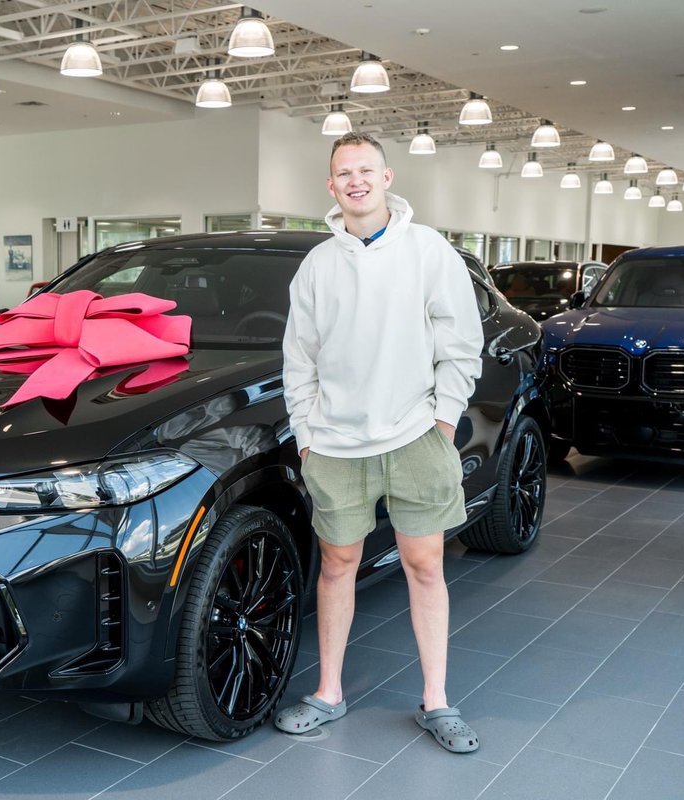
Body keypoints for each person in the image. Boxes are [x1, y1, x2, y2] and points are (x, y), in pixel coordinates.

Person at [276, 131, 484, 754]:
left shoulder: (428, 250)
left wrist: (443, 422)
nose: (356, 181)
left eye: (366, 170)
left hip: (416, 434)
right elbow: (299, 360)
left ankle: (437, 701)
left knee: (425, 565)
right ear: (331, 185)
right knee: (337, 566)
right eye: (345, 173)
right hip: (335, 445)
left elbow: (460, 343)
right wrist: (307, 437)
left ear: (387, 177)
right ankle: (329, 693)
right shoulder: (318, 265)